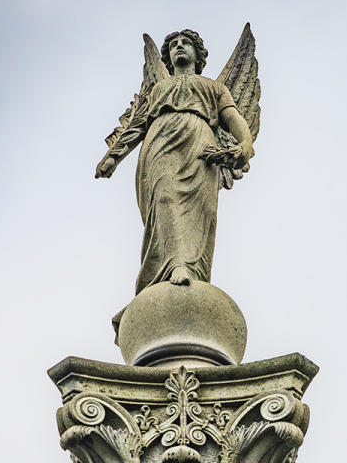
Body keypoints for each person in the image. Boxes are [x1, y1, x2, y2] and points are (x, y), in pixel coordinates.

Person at [96, 29, 255, 293]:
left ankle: (193, 269)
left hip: (200, 148)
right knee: (164, 197)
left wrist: (245, 143)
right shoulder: (159, 88)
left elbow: (233, 118)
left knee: (201, 214)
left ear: (197, 53)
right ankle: (174, 264)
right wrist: (114, 156)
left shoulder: (214, 88)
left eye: (186, 43)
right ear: (168, 58)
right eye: (173, 46)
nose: (179, 47)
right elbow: (136, 125)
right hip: (161, 143)